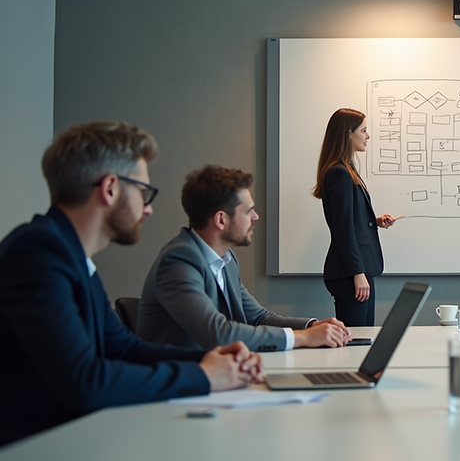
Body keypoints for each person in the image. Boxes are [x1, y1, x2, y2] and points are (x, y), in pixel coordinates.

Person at [0, 121, 263, 446]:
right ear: (110, 188)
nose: (149, 209)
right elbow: (85, 382)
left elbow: (125, 348)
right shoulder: (38, 252)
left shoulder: (71, 255)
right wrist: (205, 376)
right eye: (143, 192)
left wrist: (213, 359)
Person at [137, 165, 351, 351]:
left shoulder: (226, 259)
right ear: (221, 219)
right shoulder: (178, 261)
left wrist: (311, 327)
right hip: (179, 386)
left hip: (219, 375)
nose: (255, 217)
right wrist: (302, 338)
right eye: (248, 211)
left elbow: (258, 317)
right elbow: (217, 334)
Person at [313, 108, 395, 326]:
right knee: (355, 341)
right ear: (348, 134)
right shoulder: (339, 173)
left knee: (364, 337)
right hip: (351, 272)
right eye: (364, 130)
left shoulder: (347, 169)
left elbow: (349, 219)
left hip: (357, 269)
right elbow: (343, 229)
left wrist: (374, 221)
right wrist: (357, 273)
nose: (368, 136)